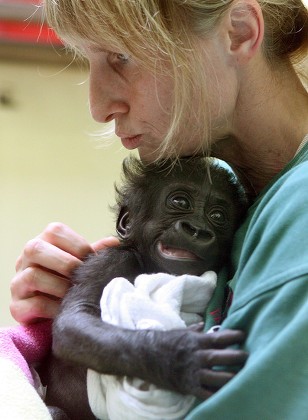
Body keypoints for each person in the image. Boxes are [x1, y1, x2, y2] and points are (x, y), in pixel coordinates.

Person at [10, 0, 308, 418]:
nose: (98, 107)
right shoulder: (247, 207)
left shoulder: (299, 217)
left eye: (122, 56)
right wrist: (80, 304)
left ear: (239, 32)